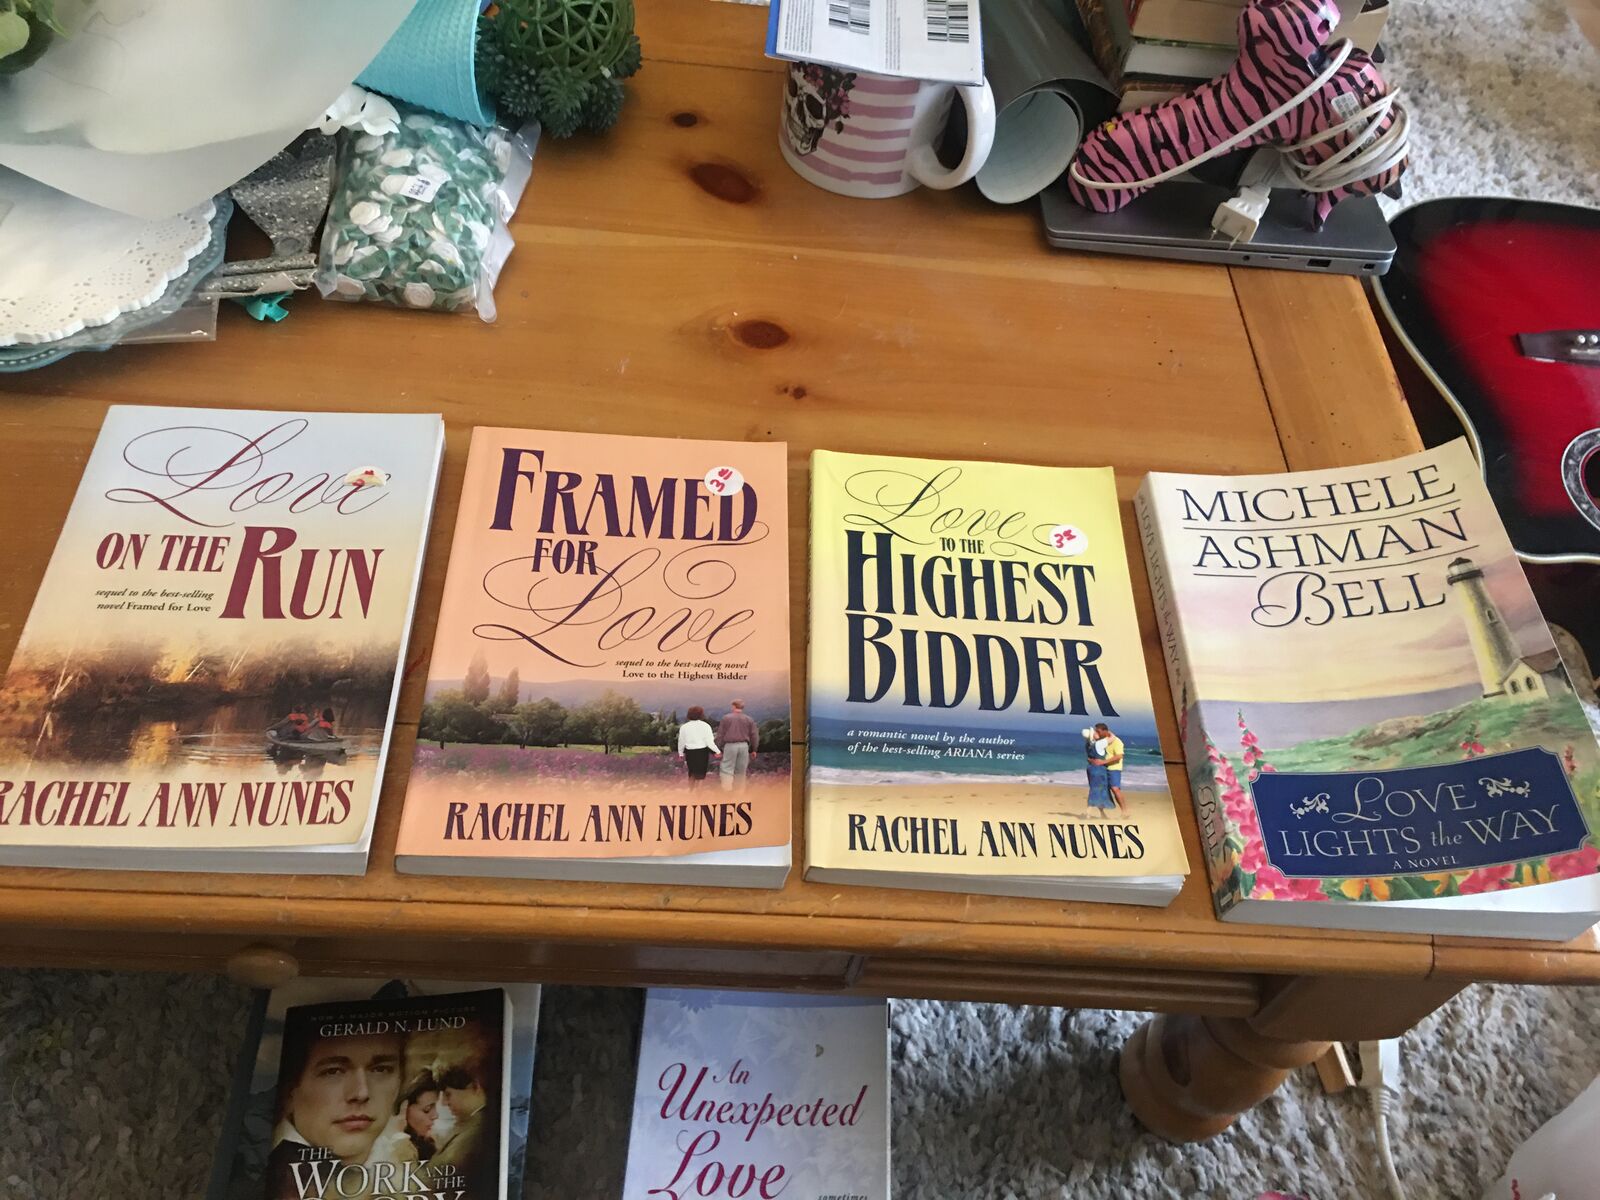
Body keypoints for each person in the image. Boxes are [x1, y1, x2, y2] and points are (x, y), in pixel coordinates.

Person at [265, 1025, 404, 1199]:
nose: (361, 1093)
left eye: (380, 1069)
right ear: (290, 1089)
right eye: (333, 1071)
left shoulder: (406, 1163)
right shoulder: (255, 1174)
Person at [431, 1062, 493, 1192]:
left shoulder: (478, 1131)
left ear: (475, 1087)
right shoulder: (471, 1124)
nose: (444, 1103)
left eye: (448, 1094)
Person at [714, 699, 760, 791]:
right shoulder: (749, 719)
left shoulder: (726, 718)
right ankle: (739, 793)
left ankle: (727, 790)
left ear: (733, 706)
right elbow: (754, 735)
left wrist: (717, 749)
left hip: (730, 745)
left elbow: (720, 735)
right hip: (744, 746)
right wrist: (754, 749)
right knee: (741, 771)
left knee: (727, 769)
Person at [676, 706, 720, 789]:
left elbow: (681, 741)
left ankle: (691, 790)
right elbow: (709, 742)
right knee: (701, 773)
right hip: (702, 752)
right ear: (701, 715)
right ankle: (699, 792)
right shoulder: (706, 726)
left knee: (692, 772)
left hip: (690, 752)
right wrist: (717, 751)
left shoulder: (684, 727)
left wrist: (680, 753)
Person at [1090, 721, 1127, 812]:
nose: (1097, 733)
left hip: (1114, 768)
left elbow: (1119, 756)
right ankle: (1102, 813)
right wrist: (1093, 761)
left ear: (1105, 731)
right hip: (1103, 768)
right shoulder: (1101, 741)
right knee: (1101, 790)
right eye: (1096, 731)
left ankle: (1125, 811)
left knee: (1115, 789)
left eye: (1098, 731)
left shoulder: (1117, 741)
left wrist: (1103, 762)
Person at [1082, 727, 1115, 818]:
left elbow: (1089, 758)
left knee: (1096, 789)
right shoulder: (1099, 743)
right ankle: (1088, 813)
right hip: (1099, 769)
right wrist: (1106, 731)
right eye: (1095, 733)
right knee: (1096, 790)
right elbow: (1113, 737)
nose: (1097, 733)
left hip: (1090, 768)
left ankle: (1102, 814)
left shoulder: (1088, 745)